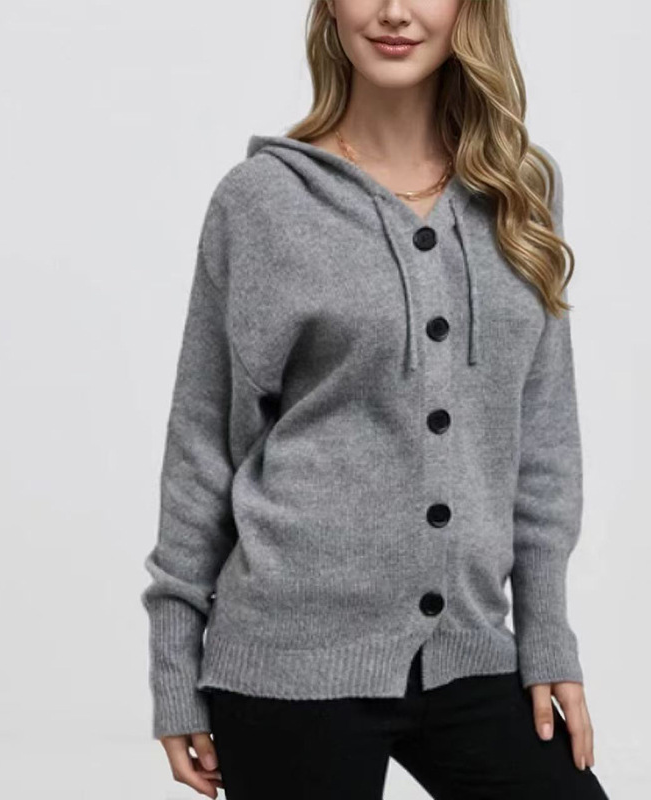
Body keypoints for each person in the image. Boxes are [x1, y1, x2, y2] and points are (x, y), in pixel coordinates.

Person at [141, 1, 609, 797]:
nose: (394, 11)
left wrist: (547, 637)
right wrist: (174, 669)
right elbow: (202, 443)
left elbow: (542, 440)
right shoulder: (262, 201)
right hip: (287, 661)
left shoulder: (522, 190)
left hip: (469, 648)